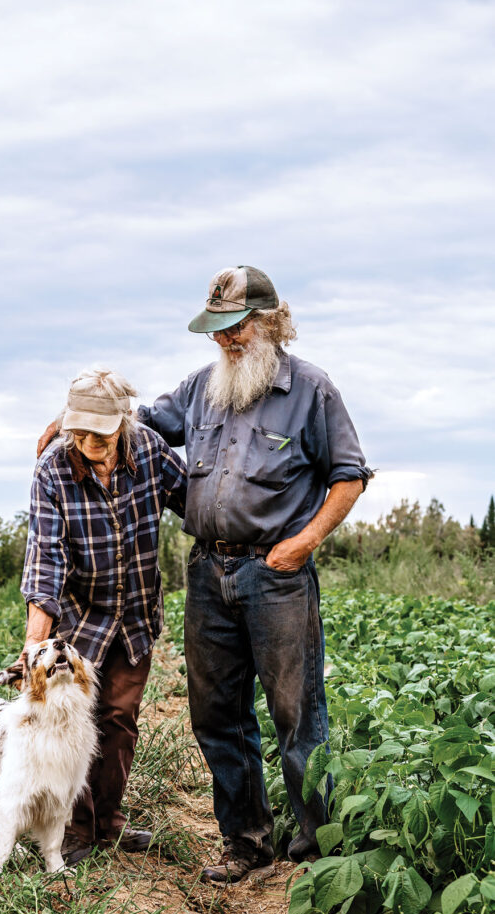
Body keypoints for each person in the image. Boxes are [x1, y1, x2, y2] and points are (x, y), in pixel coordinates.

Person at [137, 265, 372, 882]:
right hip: (207, 571)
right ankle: (246, 840)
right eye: (216, 331)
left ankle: (318, 849)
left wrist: (305, 541)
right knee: (216, 712)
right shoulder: (199, 389)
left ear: (270, 322)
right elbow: (139, 424)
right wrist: (79, 419)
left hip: (277, 575)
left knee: (297, 713)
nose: (224, 341)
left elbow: (349, 474)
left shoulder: (311, 391)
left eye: (234, 329)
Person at [16, 368, 187, 867]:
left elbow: (198, 503)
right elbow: (45, 559)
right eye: (80, 429)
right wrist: (35, 641)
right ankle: (75, 829)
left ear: (123, 422)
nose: (90, 440)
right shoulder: (53, 469)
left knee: (119, 720)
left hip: (135, 615)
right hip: (79, 619)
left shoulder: (150, 451)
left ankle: (108, 824)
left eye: (101, 430)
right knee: (69, 724)